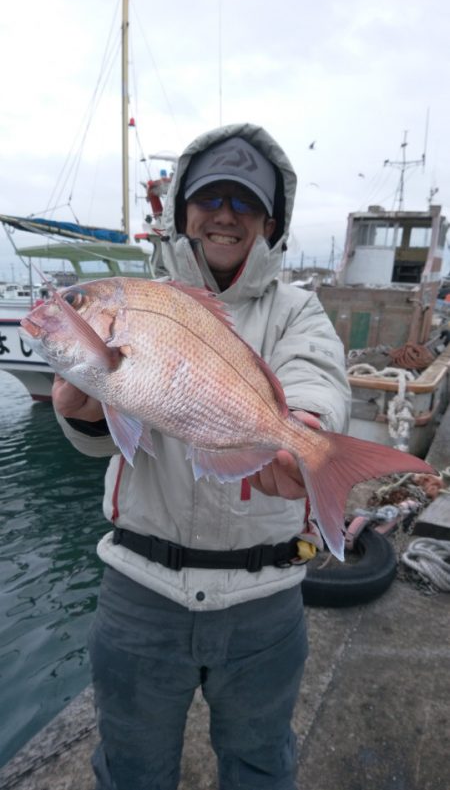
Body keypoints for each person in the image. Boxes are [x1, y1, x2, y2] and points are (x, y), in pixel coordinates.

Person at [52, 123, 351, 790]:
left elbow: (317, 377)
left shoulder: (299, 309)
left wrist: (306, 428)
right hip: (139, 592)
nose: (224, 214)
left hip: (265, 601)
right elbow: (121, 425)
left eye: (243, 202)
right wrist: (83, 414)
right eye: (210, 197)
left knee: (259, 767)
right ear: (182, 208)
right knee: (130, 771)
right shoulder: (144, 299)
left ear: (269, 221)